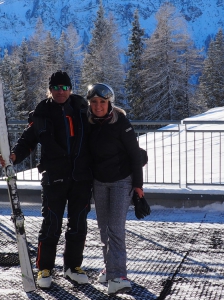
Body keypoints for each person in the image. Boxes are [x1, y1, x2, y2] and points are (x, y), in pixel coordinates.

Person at [0, 71, 93, 289]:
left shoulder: (82, 110)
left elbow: (103, 135)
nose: (60, 92)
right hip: (54, 177)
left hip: (81, 177)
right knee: (52, 224)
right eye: (56, 88)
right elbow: (26, 141)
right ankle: (45, 268)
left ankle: (72, 267)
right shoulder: (42, 115)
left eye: (64, 88)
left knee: (78, 224)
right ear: (49, 90)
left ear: (70, 89)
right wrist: (13, 156)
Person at [86, 83, 144, 295]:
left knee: (116, 229)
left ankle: (119, 275)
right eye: (94, 102)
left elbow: (135, 155)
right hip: (99, 182)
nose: (98, 106)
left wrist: (138, 185)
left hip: (122, 181)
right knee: (103, 229)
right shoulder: (89, 122)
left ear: (109, 103)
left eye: (102, 102)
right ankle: (109, 268)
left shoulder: (121, 123)